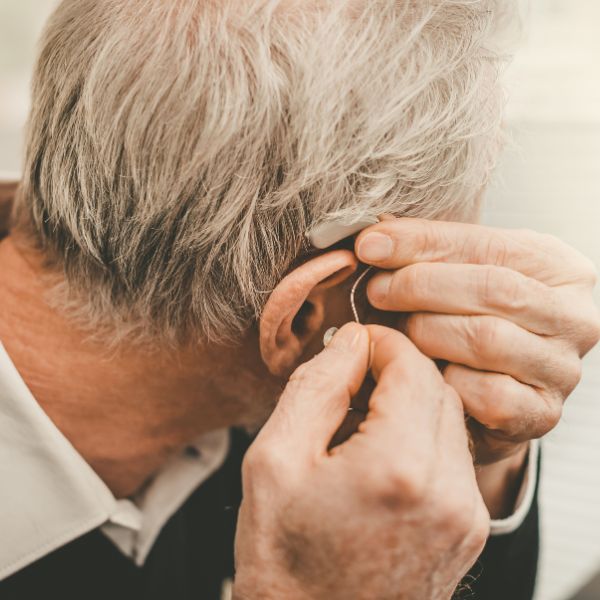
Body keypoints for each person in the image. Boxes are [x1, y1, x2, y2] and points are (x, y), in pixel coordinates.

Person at [0, 1, 598, 599]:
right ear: (307, 316)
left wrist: (478, 443)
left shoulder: (225, 403)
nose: (470, 299)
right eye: (448, 268)